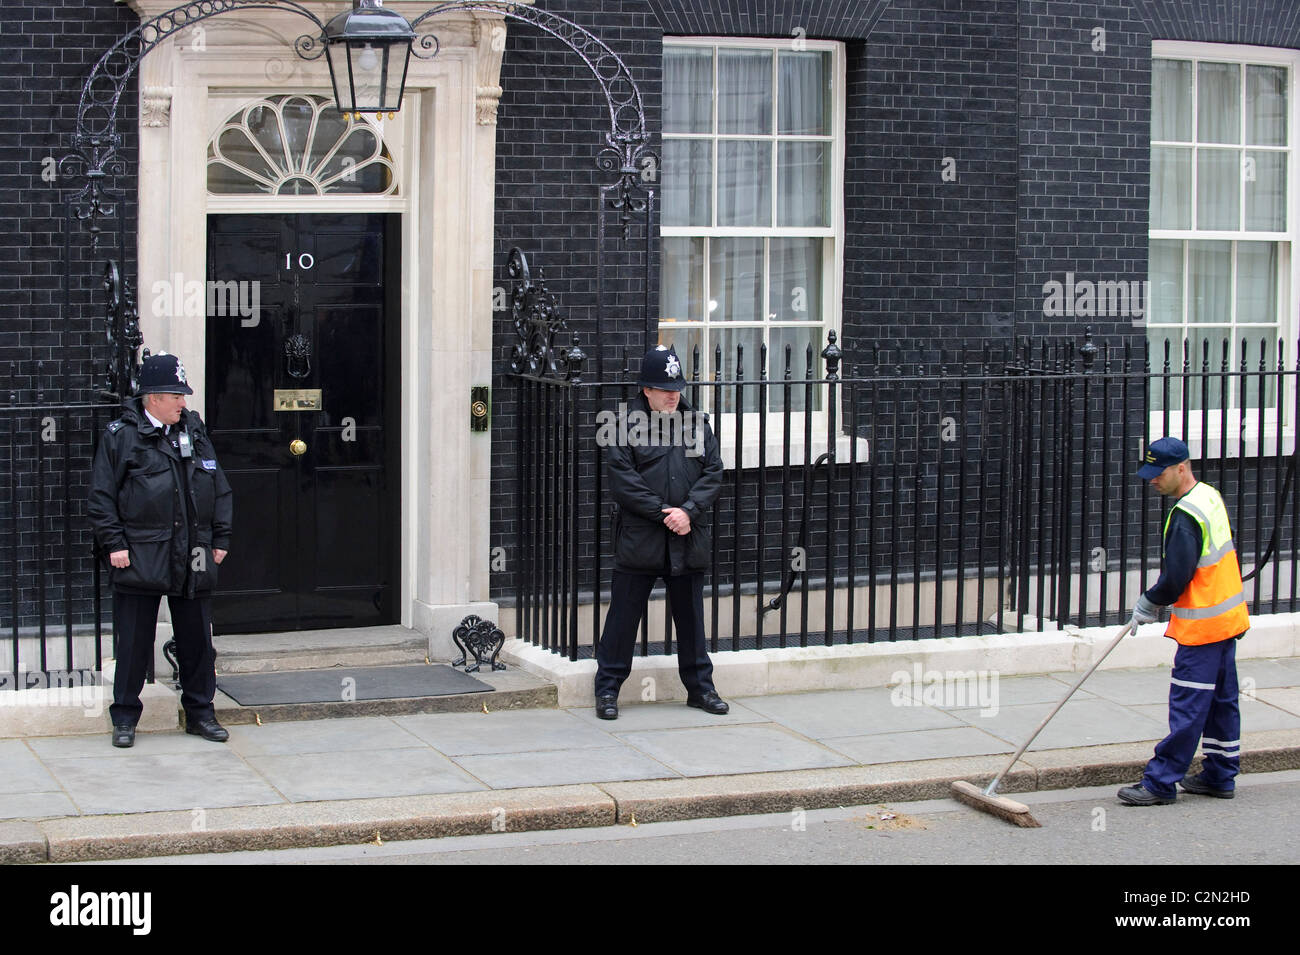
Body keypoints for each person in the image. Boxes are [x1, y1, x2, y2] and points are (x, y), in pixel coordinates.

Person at [89, 353, 233, 747]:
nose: (183, 402)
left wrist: (220, 539)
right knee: (134, 641)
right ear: (153, 398)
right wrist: (115, 544)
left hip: (194, 552)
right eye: (176, 395)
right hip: (141, 551)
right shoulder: (122, 436)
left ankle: (201, 713)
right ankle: (124, 718)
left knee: (197, 640)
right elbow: (102, 497)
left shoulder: (193, 429)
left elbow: (217, 485)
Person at [593, 344, 728, 720]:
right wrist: (664, 513)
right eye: (664, 388)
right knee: (622, 619)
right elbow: (624, 481)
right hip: (642, 537)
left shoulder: (697, 424)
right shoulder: (622, 425)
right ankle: (607, 691)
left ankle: (701, 689)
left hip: (687, 535)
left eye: (677, 388)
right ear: (646, 389)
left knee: (691, 619)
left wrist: (688, 512)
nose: (673, 395)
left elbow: (713, 472)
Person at [1117, 437, 1249, 806]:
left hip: (1203, 628)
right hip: (1226, 621)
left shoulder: (1184, 516)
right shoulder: (1210, 496)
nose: (1152, 480)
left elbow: (1177, 577)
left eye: (1158, 474)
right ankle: (1220, 775)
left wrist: (1148, 602)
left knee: (1188, 705)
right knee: (1222, 701)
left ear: (1180, 467)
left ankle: (1160, 782)